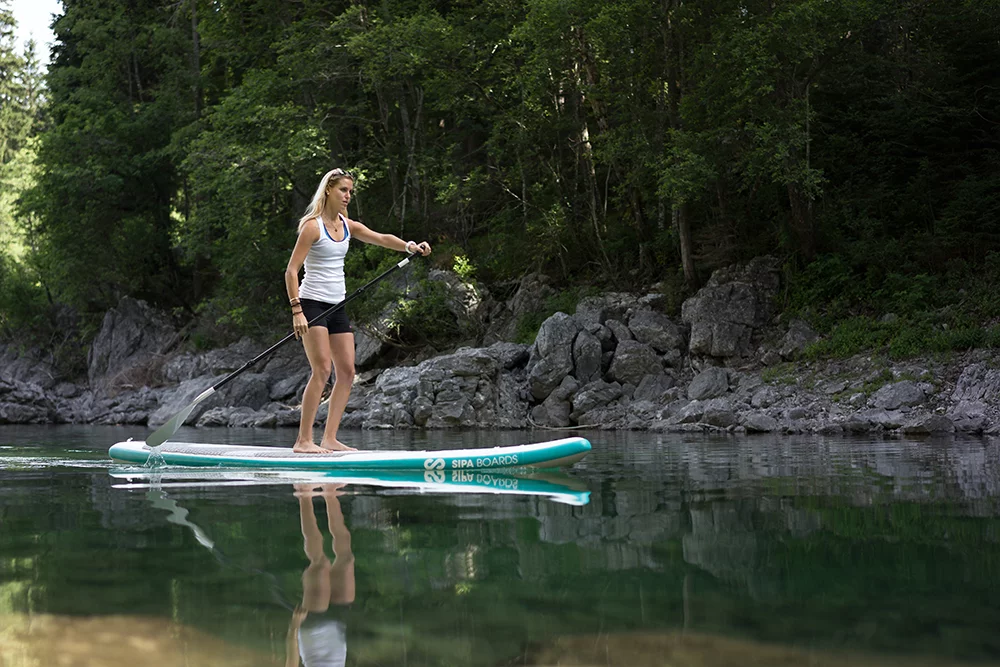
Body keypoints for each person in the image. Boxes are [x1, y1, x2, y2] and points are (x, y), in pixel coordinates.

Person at [285, 168, 431, 453]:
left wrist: (409, 246)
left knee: (348, 372)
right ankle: (303, 441)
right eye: (343, 190)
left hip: (337, 306)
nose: (348, 196)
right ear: (328, 189)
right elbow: (291, 271)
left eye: (350, 191)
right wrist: (297, 310)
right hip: (312, 304)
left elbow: (381, 238)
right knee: (322, 369)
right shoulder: (312, 227)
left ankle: (329, 439)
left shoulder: (348, 225)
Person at [285, 483, 355, 667]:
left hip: (313, 629)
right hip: (340, 625)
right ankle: (330, 493)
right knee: (346, 558)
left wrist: (294, 626)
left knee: (320, 563)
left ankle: (304, 494)